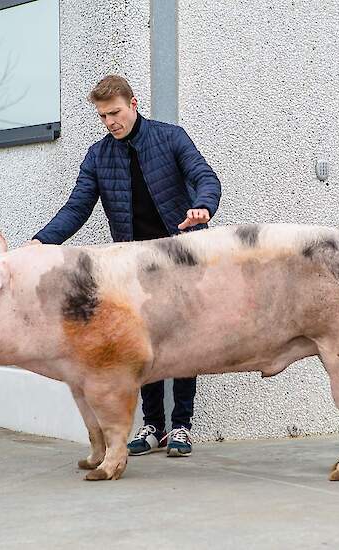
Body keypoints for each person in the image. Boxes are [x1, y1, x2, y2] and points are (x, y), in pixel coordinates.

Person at [31, 74, 221, 457]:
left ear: (133, 104)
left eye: (115, 113)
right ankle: (152, 426)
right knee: (140, 345)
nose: (110, 122)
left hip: (180, 255)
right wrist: (41, 243)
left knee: (184, 343)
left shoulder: (171, 138)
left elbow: (204, 176)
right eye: (102, 117)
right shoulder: (98, 156)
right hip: (134, 266)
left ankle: (181, 427)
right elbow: (76, 208)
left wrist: (203, 206)